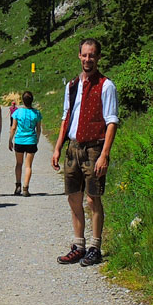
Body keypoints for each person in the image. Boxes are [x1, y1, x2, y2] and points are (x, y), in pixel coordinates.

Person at [51, 37, 118, 267]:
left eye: (92, 55)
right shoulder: (71, 85)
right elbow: (65, 117)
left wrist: (105, 154)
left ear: (98, 57)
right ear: (79, 56)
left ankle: (95, 247)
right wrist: (58, 147)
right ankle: (79, 245)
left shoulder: (106, 85)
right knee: (73, 197)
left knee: (93, 198)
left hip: (93, 148)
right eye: (84, 55)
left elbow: (111, 122)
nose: (88, 59)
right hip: (73, 147)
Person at [8, 91, 42, 197]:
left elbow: (13, 127)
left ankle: (18, 185)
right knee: (28, 166)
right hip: (31, 140)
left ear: (22, 101)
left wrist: (10, 140)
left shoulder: (17, 113)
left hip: (19, 140)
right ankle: (26, 188)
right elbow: (39, 129)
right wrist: (36, 140)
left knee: (19, 164)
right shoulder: (37, 113)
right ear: (32, 100)